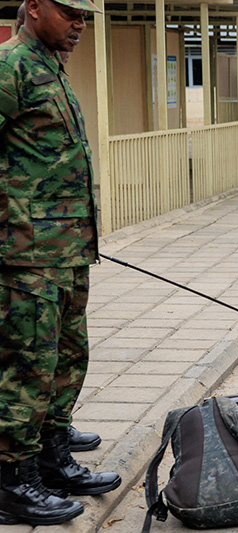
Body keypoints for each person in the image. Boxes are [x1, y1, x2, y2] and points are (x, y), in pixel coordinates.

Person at [0, 0, 122, 525]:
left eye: (85, 16)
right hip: (25, 255)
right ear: (32, 7)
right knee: (27, 366)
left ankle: (51, 457)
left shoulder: (48, 63)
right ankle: (12, 480)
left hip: (65, 249)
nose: (79, 24)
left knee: (66, 357)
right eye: (70, 12)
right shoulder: (10, 67)